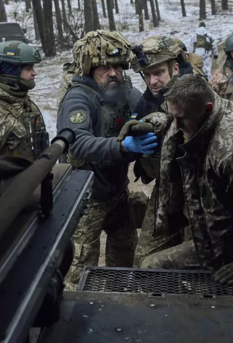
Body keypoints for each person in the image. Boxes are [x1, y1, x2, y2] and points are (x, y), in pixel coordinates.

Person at [140, 75, 233, 284]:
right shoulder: (198, 114)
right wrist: (154, 123)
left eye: (182, 119)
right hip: (214, 238)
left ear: (208, 109)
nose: (176, 125)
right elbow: (176, 118)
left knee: (153, 269)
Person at [57, 30, 156, 288]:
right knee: (78, 268)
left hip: (116, 192)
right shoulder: (79, 97)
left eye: (118, 66)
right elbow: (77, 143)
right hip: (85, 197)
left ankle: (118, 301)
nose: (113, 72)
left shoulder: (122, 90)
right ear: (90, 68)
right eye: (104, 67)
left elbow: (149, 106)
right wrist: (123, 146)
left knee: (125, 256)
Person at [128, 36, 192, 266]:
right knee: (143, 260)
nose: (152, 81)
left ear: (175, 69)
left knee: (198, 266)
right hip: (165, 191)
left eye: (158, 73)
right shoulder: (148, 100)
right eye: (147, 75)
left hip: (199, 195)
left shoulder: (195, 97)